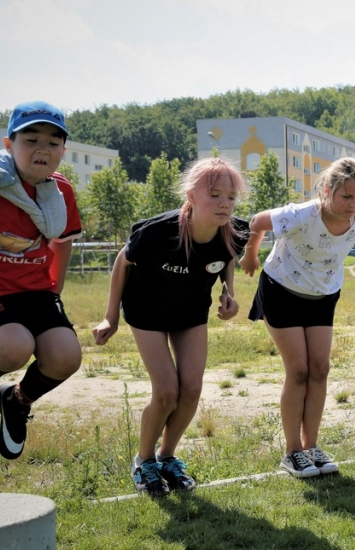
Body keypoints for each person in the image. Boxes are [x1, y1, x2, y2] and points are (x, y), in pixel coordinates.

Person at [93, 158, 248, 495]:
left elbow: (227, 260)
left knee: (191, 388)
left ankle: (167, 458)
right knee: (166, 392)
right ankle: (144, 461)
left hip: (189, 313)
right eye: (215, 195)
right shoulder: (156, 232)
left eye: (231, 197)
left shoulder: (235, 231)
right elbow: (123, 260)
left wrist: (229, 293)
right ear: (191, 196)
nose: (225, 204)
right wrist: (111, 316)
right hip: (145, 312)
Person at [240, 157, 355, 478]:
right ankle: (292, 452)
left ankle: (311, 447)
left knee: (320, 369)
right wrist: (250, 254)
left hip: (323, 296)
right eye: (346, 197)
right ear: (327, 190)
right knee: (299, 371)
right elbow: (257, 221)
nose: (353, 205)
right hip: (282, 290)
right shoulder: (301, 215)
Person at [0, 101, 83, 460]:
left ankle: (15, 400)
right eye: (31, 139)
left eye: (53, 143)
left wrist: (55, 290)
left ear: (63, 151)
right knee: (12, 347)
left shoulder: (59, 192)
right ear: (8, 144)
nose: (42, 149)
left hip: (35, 291)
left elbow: (61, 243)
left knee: (66, 356)